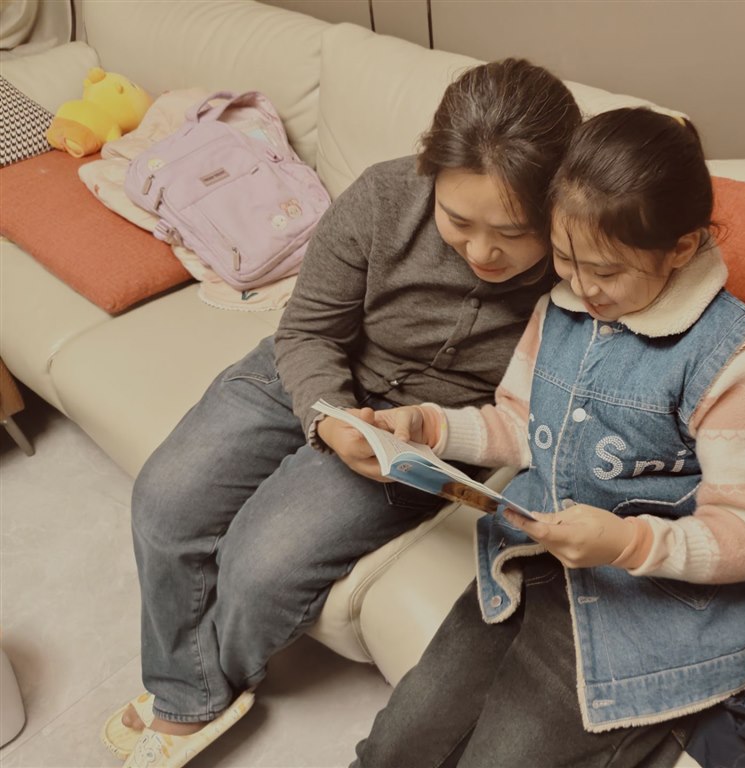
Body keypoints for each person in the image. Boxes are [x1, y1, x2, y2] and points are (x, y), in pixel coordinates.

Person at [103, 58, 582, 767]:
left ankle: (190, 691)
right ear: (430, 173)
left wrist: (417, 431)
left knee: (263, 564)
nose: (484, 251)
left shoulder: (584, 260)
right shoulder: (384, 196)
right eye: (458, 221)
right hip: (316, 363)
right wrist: (328, 415)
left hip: (427, 427)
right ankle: (191, 693)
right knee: (165, 497)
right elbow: (307, 332)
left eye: (514, 231)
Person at [352, 108, 745, 768]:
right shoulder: (560, 307)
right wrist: (428, 426)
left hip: (648, 607)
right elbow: (521, 427)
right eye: (566, 259)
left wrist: (629, 542)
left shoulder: (734, 360)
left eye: (607, 271)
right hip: (531, 561)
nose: (584, 288)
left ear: (681, 248)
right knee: (395, 745)